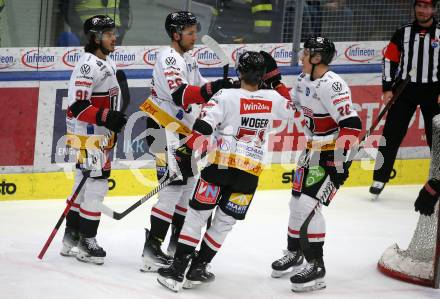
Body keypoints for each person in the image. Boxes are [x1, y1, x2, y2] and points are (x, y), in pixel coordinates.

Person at [156, 51, 295, 292]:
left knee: (196, 217)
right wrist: (276, 80)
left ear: (239, 72)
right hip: (249, 174)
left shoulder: (224, 96)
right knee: (223, 223)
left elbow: (203, 126)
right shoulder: (273, 99)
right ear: (262, 75)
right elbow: (293, 108)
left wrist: (186, 150)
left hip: (218, 168)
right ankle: (200, 267)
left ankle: (177, 271)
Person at [139, 11, 233, 272]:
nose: (194, 37)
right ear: (176, 34)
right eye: (190, 33)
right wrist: (211, 90)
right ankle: (152, 249)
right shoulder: (168, 58)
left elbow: (201, 88)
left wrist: (224, 88)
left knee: (189, 187)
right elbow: (181, 95)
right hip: (162, 128)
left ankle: (175, 246)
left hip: (181, 131)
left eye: (194, 32)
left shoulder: (188, 58)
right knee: (171, 190)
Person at [270, 36, 362, 292]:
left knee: (310, 207)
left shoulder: (333, 85)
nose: (301, 57)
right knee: (295, 202)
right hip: (311, 150)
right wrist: (275, 85)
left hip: (331, 154)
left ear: (317, 58)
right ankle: (295, 252)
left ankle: (316, 265)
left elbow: (352, 125)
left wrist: (339, 162)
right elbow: (294, 109)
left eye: (306, 53)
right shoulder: (303, 79)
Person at [61, 15, 127, 265]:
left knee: (82, 183)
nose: (114, 37)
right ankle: (87, 241)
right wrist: (106, 116)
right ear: (96, 37)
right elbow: (78, 105)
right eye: (109, 34)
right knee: (97, 185)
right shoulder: (87, 65)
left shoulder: (104, 62)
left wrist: (110, 118)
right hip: (89, 136)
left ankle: (72, 236)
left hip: (98, 135)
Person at [369, 0, 440, 200]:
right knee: (390, 136)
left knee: (437, 140)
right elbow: (389, 60)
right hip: (404, 90)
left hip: (434, 92)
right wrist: (387, 89)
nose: (423, 10)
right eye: (419, 6)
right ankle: (379, 177)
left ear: (434, 9)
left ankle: (437, 182)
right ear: (415, 7)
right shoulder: (403, 32)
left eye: (427, 7)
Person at [60, 0, 131, 45]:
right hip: (86, 36)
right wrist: (81, 30)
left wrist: (121, 31)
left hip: (114, 35)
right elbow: (67, 9)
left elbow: (124, 9)